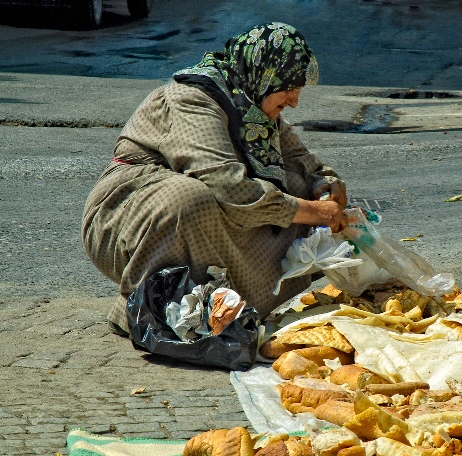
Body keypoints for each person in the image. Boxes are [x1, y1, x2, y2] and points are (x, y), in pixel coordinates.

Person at [81, 22, 347, 336]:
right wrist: (315, 212)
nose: (294, 101)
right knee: (191, 197)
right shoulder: (193, 98)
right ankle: (142, 312)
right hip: (125, 214)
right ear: (265, 74)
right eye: (289, 88)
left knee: (297, 187)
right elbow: (229, 188)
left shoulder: (251, 106)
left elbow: (299, 159)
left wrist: (324, 184)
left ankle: (228, 308)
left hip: (197, 207)